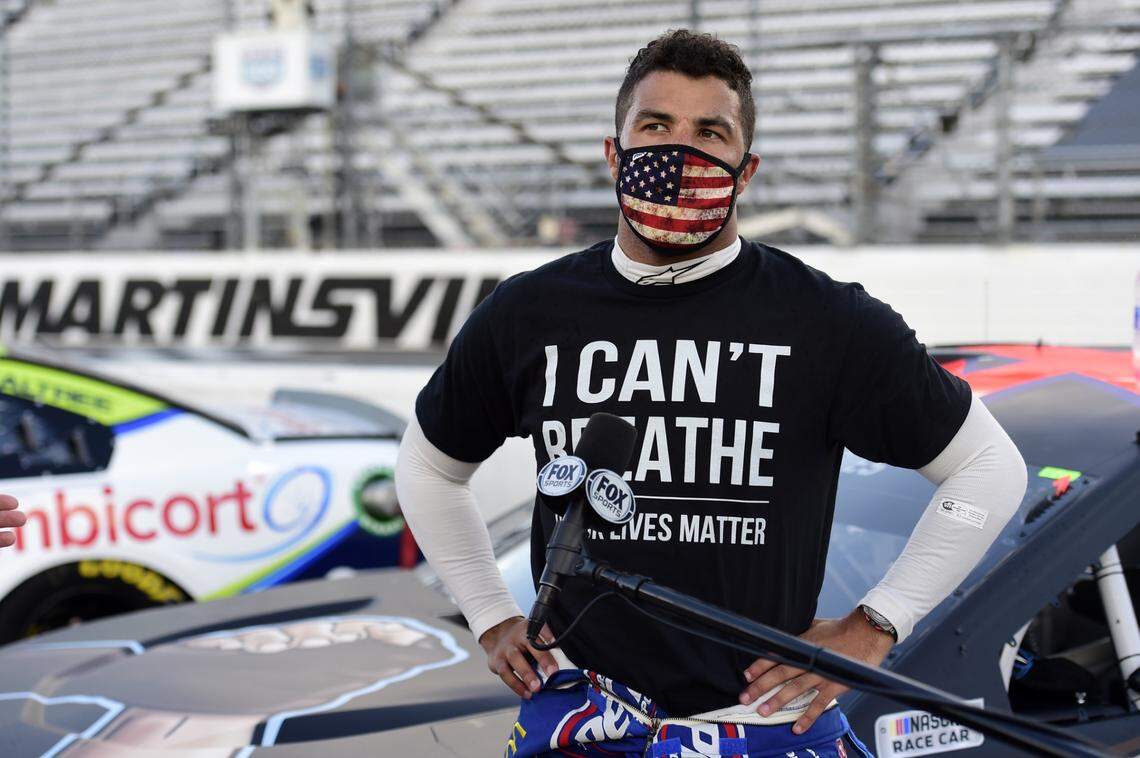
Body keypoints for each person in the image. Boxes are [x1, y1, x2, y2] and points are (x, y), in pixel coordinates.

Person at [396, 29, 1028, 758]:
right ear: (614, 152)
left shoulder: (826, 320)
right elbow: (430, 467)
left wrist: (876, 624)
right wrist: (489, 613)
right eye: (655, 126)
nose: (677, 151)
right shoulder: (529, 313)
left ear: (745, 168)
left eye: (710, 133)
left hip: (762, 727)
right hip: (579, 716)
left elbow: (989, 466)